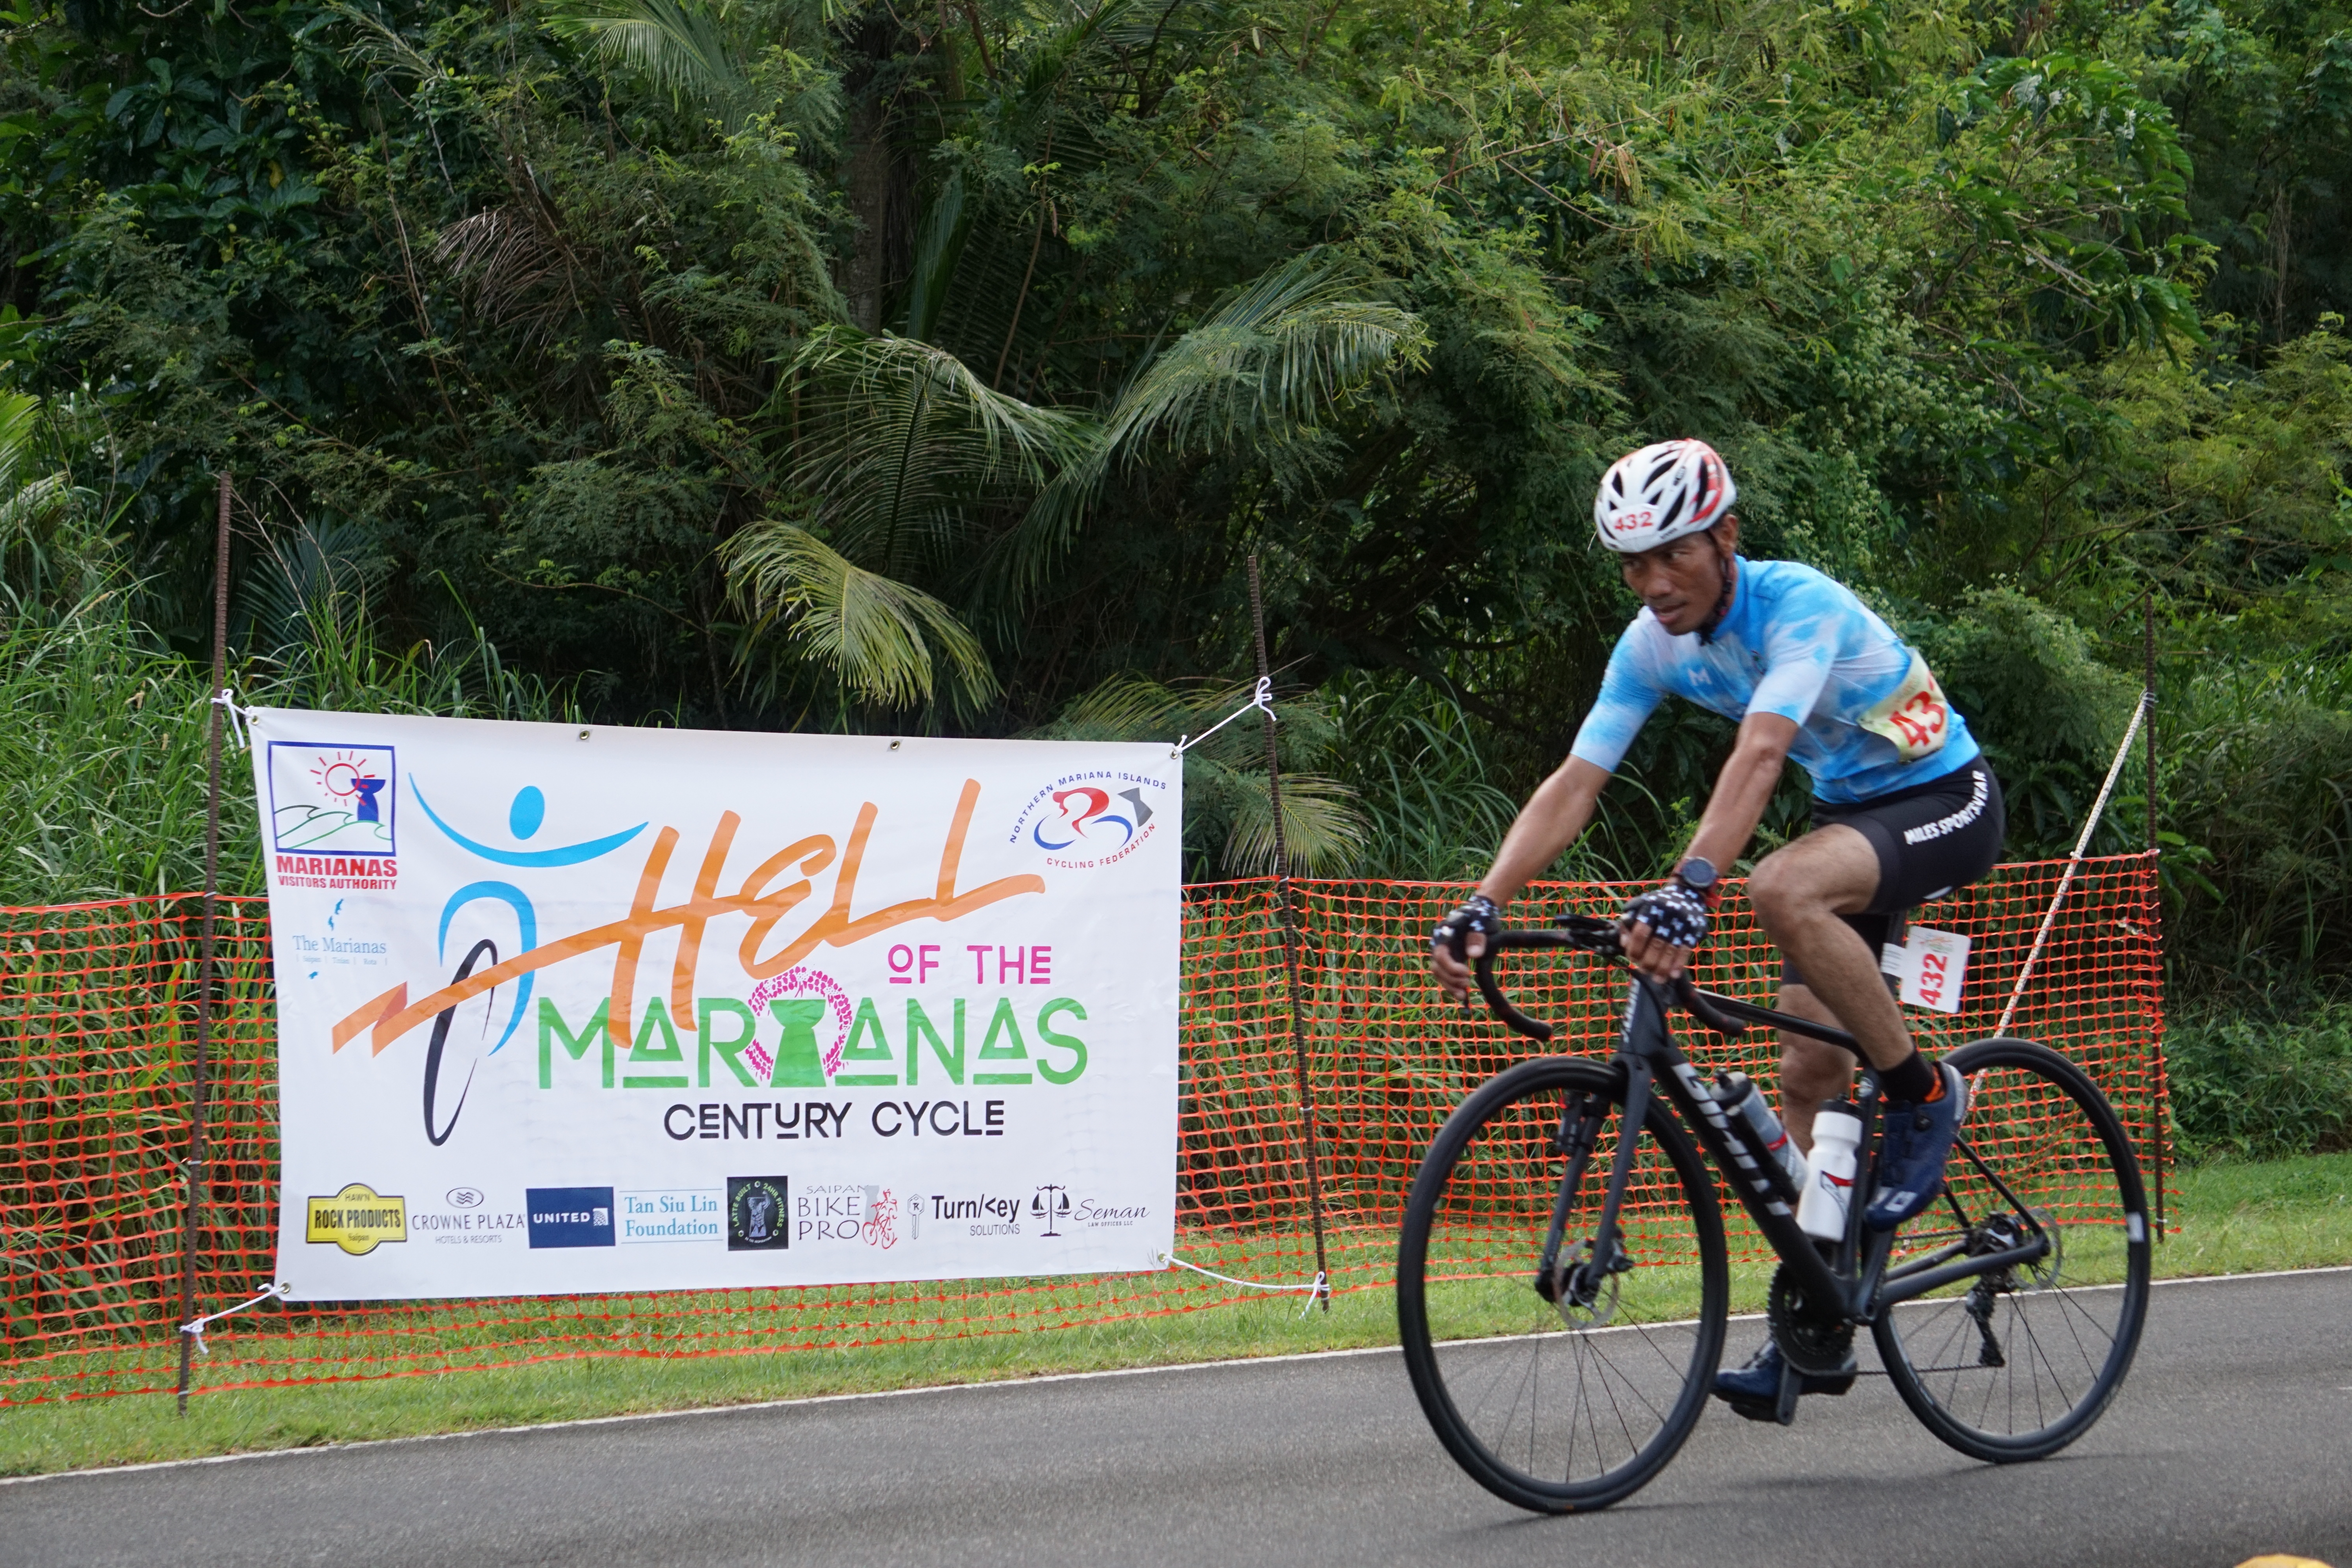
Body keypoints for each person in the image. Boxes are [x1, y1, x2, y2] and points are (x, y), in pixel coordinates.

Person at [1426, 437, 2005, 1411]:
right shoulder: (1650, 644)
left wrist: (1693, 884)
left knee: (1778, 888)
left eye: (1675, 554)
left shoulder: (1797, 604)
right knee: (1808, 1072)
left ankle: (1923, 1093)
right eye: (1634, 563)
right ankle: (1818, 1314)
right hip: (1850, 816)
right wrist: (1487, 899)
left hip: (1946, 796)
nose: (1655, 582)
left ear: (1727, 536)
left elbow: (1762, 752)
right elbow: (1576, 781)